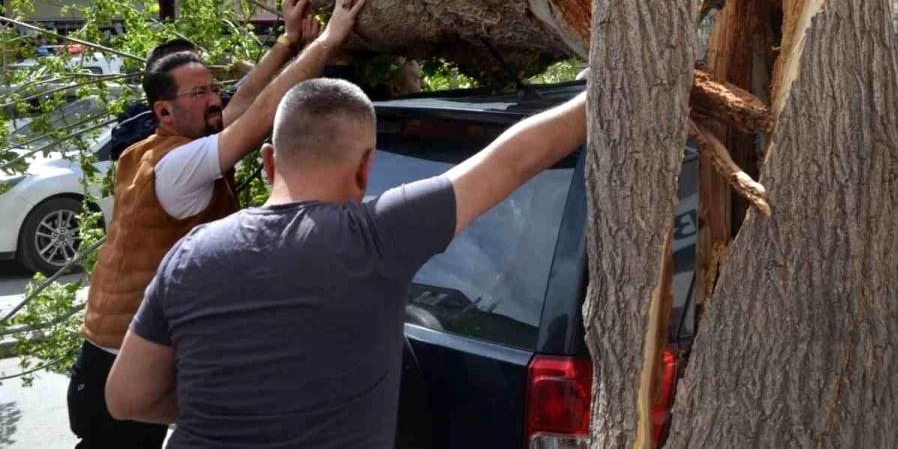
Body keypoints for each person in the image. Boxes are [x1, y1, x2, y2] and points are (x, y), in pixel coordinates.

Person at [105, 76, 587, 447]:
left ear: (270, 161)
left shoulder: (189, 255)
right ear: (364, 168)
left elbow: (125, 398)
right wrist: (608, 83)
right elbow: (516, 158)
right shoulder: (379, 236)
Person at [67, 0, 365, 449]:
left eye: (212, 87)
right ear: (164, 113)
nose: (213, 99)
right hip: (118, 368)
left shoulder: (174, 141)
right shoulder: (175, 165)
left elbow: (242, 100)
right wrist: (327, 41)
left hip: (140, 357)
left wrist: (287, 40)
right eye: (198, 93)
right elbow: (255, 120)